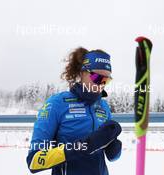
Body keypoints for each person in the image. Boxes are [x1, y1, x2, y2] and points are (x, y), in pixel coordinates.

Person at [26, 47, 122, 175]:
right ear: (82, 73)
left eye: (106, 80)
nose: (101, 84)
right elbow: (34, 161)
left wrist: (114, 148)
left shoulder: (103, 106)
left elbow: (110, 156)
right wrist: (83, 146)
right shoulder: (57, 103)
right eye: (97, 77)